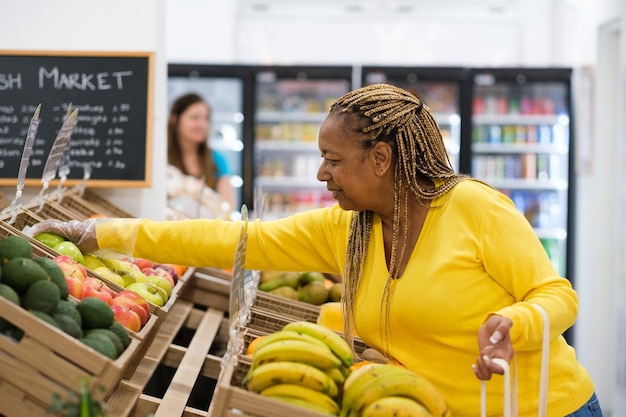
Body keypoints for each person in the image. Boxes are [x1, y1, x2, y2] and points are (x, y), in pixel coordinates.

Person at [29, 84, 602, 417]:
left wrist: (514, 321)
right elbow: (235, 240)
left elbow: (558, 295)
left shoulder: (474, 208)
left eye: (334, 159)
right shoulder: (351, 230)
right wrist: (107, 233)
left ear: (380, 159)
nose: (323, 173)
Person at [167, 93, 235, 210]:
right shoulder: (161, 159)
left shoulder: (217, 160)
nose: (202, 124)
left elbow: (228, 207)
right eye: (195, 118)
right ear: (175, 119)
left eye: (206, 119)